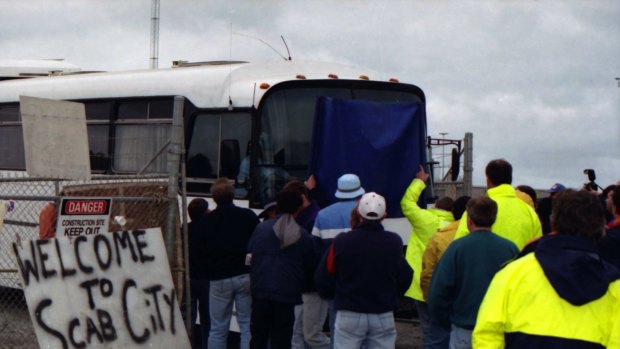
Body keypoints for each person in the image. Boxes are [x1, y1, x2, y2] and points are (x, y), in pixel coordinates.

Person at [473, 189, 620, 348]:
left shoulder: (513, 273)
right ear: (600, 228)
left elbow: (487, 334)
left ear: (553, 222)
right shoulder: (614, 287)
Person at [315, 192, 413, 349]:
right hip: (382, 311)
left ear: (358, 213)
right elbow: (406, 275)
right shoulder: (394, 242)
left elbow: (323, 277)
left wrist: (337, 296)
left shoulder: (341, 241)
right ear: (384, 216)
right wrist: (392, 296)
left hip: (349, 311)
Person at [427, 197, 519, 349]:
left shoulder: (457, 248)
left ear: (469, 220)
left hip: (464, 329)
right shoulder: (510, 249)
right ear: (493, 219)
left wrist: (446, 319)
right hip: (498, 331)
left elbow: (438, 291)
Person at [248, 190, 315, 349]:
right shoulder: (303, 235)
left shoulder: (261, 229)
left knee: (258, 337)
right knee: (282, 339)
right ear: (298, 209)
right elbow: (309, 264)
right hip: (287, 295)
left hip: (261, 291)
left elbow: (250, 254)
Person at [199, 178, 260, 349]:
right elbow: (257, 241)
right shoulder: (248, 216)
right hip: (244, 274)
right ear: (233, 195)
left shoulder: (207, 221)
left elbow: (203, 249)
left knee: (218, 328)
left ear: (214, 198)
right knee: (247, 325)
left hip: (218, 277)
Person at [400, 165, 454, 349]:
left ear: (436, 206)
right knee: (446, 328)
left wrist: (419, 181)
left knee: (429, 330)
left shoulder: (425, 220)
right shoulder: (458, 227)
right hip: (449, 287)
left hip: (422, 286)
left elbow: (407, 203)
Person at [310, 173, 365, 348]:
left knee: (338, 333)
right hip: (363, 282)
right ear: (360, 192)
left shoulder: (323, 215)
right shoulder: (365, 213)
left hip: (335, 284)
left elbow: (316, 250)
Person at [454, 159, 542, 250]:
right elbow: (537, 246)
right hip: (521, 263)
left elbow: (459, 245)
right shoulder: (529, 212)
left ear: (488, 180)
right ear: (510, 180)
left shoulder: (477, 208)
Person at [281, 180, 321, 349]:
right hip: (307, 285)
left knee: (301, 334)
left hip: (306, 286)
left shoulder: (308, 221)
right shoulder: (312, 215)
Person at [420, 196, 471, 300]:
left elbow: (428, 272)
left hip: (444, 298)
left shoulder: (439, 237)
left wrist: (429, 297)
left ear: (452, 212)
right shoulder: (489, 239)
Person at [187, 198, 211, 349]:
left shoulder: (185, 229)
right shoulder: (210, 229)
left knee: (189, 316)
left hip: (189, 276)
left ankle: (189, 343)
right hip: (206, 277)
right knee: (207, 317)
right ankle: (206, 344)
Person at [599, 185, 620, 270]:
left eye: (608, 198)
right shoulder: (610, 227)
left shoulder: (610, 238)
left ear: (615, 207)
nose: (606, 200)